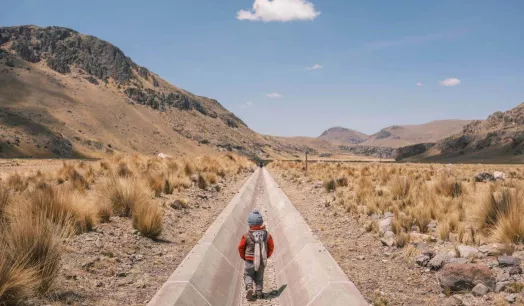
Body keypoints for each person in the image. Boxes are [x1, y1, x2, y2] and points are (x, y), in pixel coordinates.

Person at [238, 209, 274, 301]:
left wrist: (244, 256)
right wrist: (267, 255)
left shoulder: (246, 235)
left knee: (248, 275)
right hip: (262, 259)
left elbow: (241, 247)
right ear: (261, 222)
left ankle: (249, 287)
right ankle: (259, 292)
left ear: (249, 224)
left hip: (249, 260)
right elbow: (271, 246)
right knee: (259, 276)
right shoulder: (267, 235)